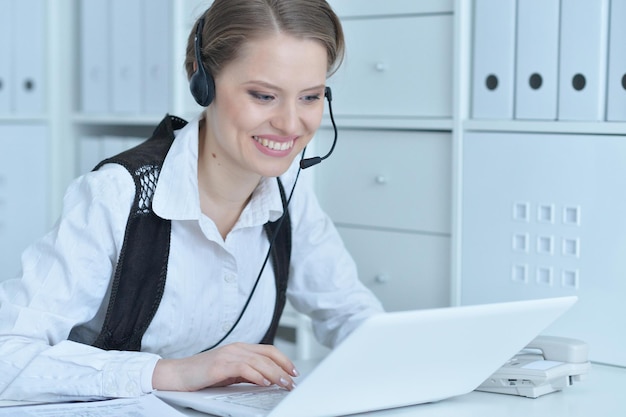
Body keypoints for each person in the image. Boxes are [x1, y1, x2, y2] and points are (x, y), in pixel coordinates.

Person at [0, 0, 383, 402]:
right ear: (204, 83)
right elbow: (7, 354)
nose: (290, 124)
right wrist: (171, 373)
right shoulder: (117, 196)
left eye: (310, 97)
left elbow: (350, 314)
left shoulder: (290, 191)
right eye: (263, 96)